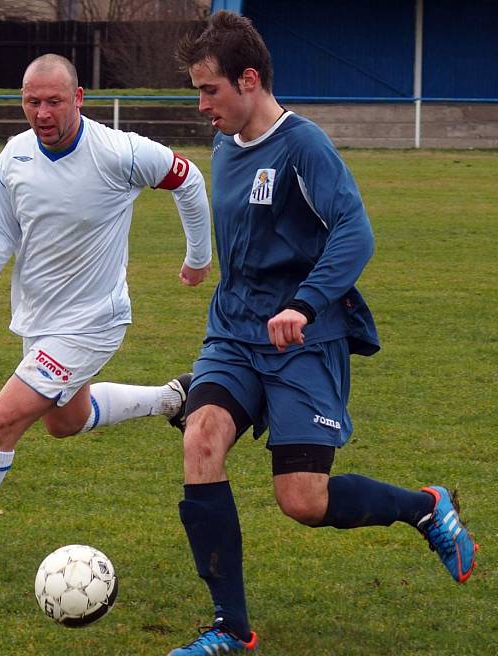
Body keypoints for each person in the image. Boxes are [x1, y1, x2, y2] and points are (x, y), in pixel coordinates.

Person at [167, 11, 478, 654]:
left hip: (301, 340)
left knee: (302, 499)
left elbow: (355, 232)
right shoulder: (225, 143)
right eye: (197, 91)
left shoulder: (303, 145)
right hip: (233, 333)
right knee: (201, 439)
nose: (202, 106)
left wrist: (304, 306)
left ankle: (422, 506)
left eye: (210, 90)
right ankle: (230, 628)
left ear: (248, 80)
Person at [0, 53, 212, 564]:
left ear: (78, 98)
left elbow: (188, 180)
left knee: (3, 422)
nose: (42, 112)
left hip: (93, 322)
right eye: (32, 101)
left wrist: (197, 258)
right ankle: (174, 399)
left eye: (54, 101)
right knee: (64, 422)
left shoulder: (119, 152)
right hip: (39, 321)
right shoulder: (14, 155)